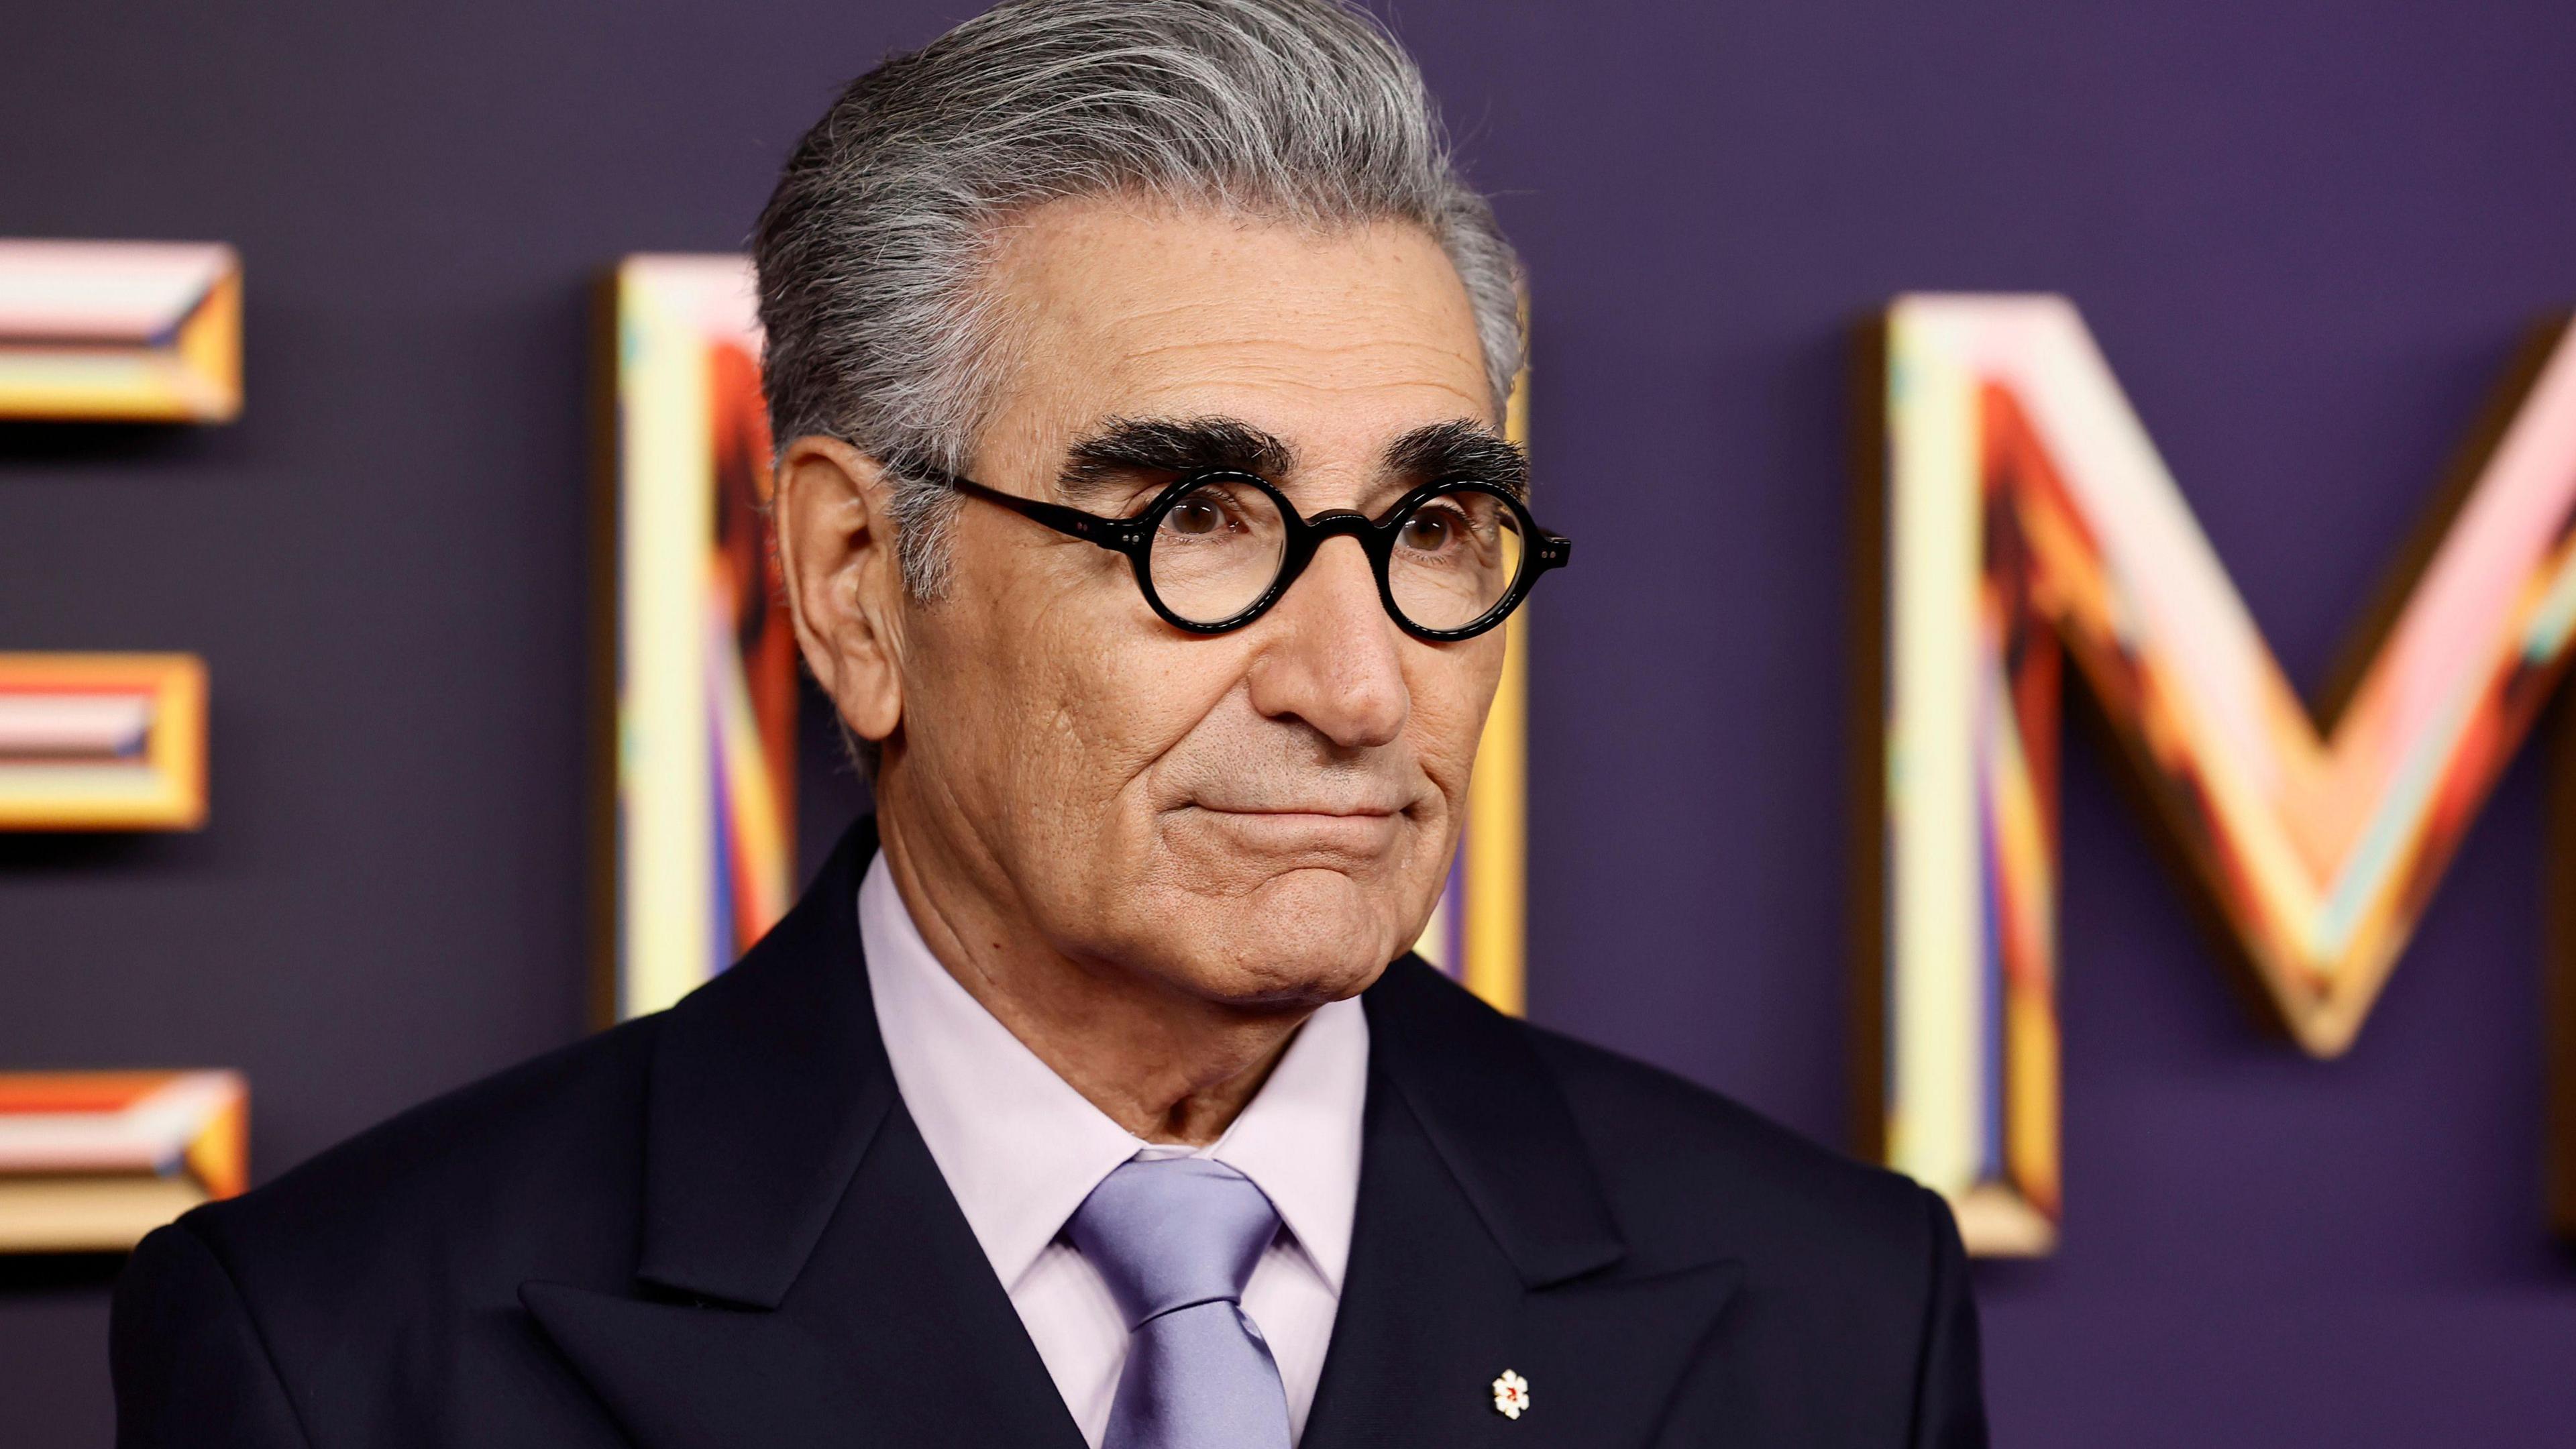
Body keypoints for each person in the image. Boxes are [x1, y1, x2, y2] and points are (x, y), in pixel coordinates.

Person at [109, 2, 1986, 1445]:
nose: (1352, 688)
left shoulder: (1829, 1313)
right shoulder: (346, 1354)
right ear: (855, 581)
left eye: (1430, 530)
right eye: (1194, 523)